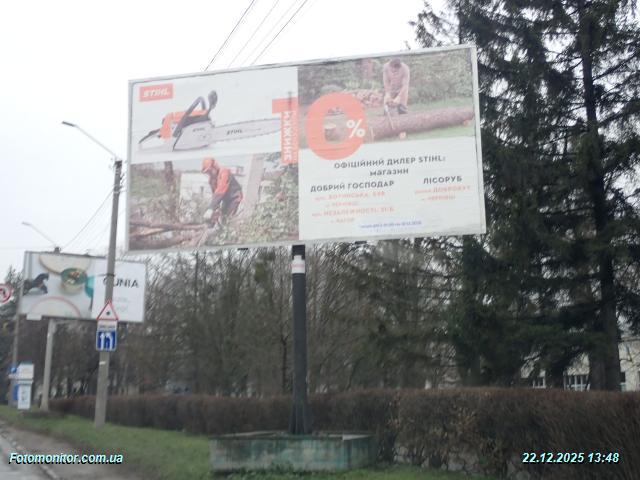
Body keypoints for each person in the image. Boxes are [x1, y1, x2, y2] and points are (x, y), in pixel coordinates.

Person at [201, 157, 243, 226]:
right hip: (225, 198)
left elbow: (221, 189)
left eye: (210, 171)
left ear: (214, 167)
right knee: (223, 217)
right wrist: (214, 209)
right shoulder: (211, 180)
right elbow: (215, 196)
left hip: (234, 197)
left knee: (229, 218)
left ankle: (229, 230)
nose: (209, 174)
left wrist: (211, 208)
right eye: (207, 172)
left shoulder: (224, 172)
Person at [383, 57, 410, 138]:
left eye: (395, 71)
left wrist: (399, 97)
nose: (393, 72)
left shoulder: (405, 69)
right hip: (391, 88)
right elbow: (386, 81)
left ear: (399, 67)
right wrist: (387, 93)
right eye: (392, 70)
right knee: (387, 108)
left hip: (402, 90)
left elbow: (405, 85)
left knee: (402, 109)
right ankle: (387, 129)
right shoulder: (386, 67)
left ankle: (403, 130)